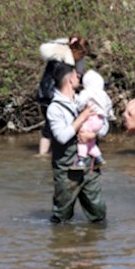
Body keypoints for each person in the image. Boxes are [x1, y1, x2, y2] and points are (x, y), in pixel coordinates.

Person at [47, 63, 108, 223]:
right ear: (69, 80)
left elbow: (105, 123)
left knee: (99, 213)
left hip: (89, 166)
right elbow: (62, 136)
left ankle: (93, 245)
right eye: (76, 75)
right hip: (67, 169)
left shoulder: (86, 98)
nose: (79, 77)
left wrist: (92, 134)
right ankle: (63, 245)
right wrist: (82, 117)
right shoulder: (54, 108)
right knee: (62, 218)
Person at [37, 35, 92, 155]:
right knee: (49, 128)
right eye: (82, 54)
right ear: (75, 51)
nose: (83, 57)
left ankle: (48, 153)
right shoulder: (60, 62)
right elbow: (60, 82)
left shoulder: (69, 61)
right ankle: (43, 154)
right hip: (49, 95)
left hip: (53, 95)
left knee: (54, 127)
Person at [71, 70, 111, 170]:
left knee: (82, 140)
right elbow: (109, 107)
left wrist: (80, 109)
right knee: (91, 142)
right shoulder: (103, 94)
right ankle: (99, 158)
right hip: (100, 120)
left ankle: (81, 161)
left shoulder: (86, 92)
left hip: (90, 119)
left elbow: (80, 103)